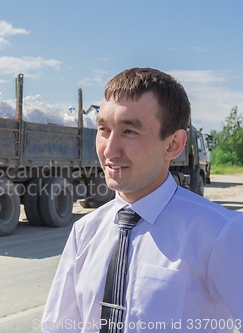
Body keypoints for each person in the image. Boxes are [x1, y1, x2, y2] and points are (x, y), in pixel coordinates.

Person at [41, 67, 243, 332]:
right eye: (103, 129)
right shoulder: (85, 231)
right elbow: (61, 327)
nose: (109, 150)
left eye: (129, 132)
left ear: (173, 144)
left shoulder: (221, 234)